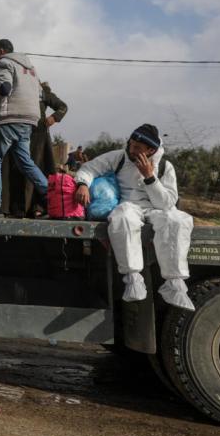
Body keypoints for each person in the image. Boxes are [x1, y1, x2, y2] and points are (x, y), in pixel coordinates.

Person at [74, 124, 195, 310]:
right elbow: (90, 169)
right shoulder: (119, 157)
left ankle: (174, 284)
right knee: (121, 217)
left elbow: (166, 204)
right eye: (131, 144)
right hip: (129, 205)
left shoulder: (164, 166)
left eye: (138, 147)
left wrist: (149, 177)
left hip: (157, 208)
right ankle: (133, 279)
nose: (132, 149)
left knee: (178, 220)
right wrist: (82, 184)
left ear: (151, 150)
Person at [0, 39, 47, 216]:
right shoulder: (31, 69)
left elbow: (4, 88)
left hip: (8, 118)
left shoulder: (3, 63)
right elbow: (41, 94)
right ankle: (51, 195)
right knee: (26, 163)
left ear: (1, 51)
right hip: (28, 120)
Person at [2, 80, 67, 217]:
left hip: (38, 139)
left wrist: (54, 117)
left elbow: (62, 107)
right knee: (15, 171)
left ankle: (38, 208)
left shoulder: (42, 93)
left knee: (38, 170)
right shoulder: (18, 91)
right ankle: (13, 208)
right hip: (17, 134)